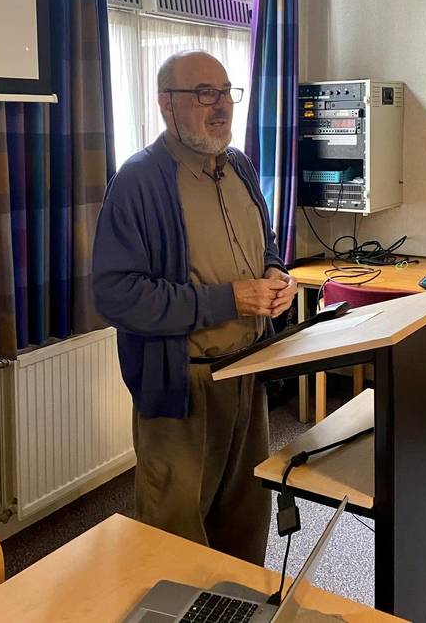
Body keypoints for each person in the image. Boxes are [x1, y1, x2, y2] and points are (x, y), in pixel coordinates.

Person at [92, 50, 297, 565]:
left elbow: (264, 243)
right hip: (185, 385)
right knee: (175, 536)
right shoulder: (139, 181)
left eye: (227, 92)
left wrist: (275, 274)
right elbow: (117, 294)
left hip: (248, 372)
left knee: (246, 519)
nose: (221, 106)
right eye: (205, 93)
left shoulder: (240, 165)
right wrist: (229, 298)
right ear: (167, 103)